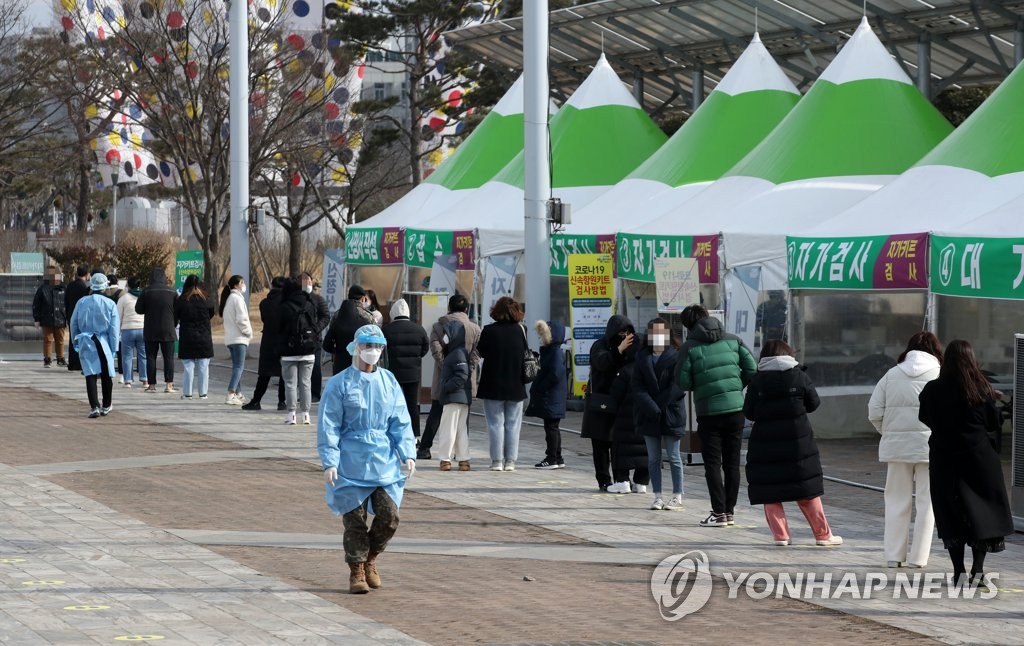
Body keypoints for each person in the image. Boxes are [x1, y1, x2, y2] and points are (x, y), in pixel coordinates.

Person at [318, 324, 416, 594]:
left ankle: (370, 557)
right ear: (356, 347)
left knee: (389, 516)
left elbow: (400, 421)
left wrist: (406, 453)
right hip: (350, 461)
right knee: (355, 520)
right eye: (367, 346)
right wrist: (330, 461)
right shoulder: (340, 384)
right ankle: (357, 570)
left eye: (377, 346)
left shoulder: (389, 381)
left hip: (383, 461)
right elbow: (329, 425)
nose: (372, 351)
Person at [918, 340, 1013, 589]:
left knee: (951, 513)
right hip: (979, 460)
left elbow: (924, 417)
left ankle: (958, 572)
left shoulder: (932, 389)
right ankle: (978, 572)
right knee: (982, 513)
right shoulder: (981, 389)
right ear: (971, 360)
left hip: (943, 459)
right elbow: (993, 424)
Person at [744, 340, 842, 547]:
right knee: (806, 489)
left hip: (765, 443)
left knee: (770, 491)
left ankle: (781, 536)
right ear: (788, 354)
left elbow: (749, 412)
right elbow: (813, 403)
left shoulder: (757, 381)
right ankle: (823, 536)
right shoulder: (799, 375)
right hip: (799, 441)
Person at [676, 305, 757, 527]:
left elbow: (683, 381)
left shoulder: (689, 347)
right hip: (736, 410)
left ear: (688, 325)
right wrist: (735, 387)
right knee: (732, 463)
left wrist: (701, 385)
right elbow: (752, 368)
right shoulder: (734, 340)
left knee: (712, 463)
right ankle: (729, 512)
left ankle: (718, 513)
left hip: (709, 411)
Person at [868, 331, 942, 568]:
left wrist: (889, 433)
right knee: (927, 503)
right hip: (931, 448)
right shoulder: (939, 373)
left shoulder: (891, 374)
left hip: (897, 448)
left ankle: (893, 556)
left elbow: (874, 411)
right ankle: (919, 558)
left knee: (896, 501)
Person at [418, 294, 481, 460]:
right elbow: (476, 353)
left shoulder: (439, 326)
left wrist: (446, 366)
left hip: (443, 378)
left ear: (449, 308)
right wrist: (468, 368)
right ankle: (460, 453)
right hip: (465, 379)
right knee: (463, 416)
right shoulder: (475, 328)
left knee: (436, 412)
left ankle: (424, 448)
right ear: (467, 309)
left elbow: (435, 349)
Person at [634, 318, 685, 510]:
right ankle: (657, 496)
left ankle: (677, 495)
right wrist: (651, 407)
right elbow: (637, 386)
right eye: (653, 332)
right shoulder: (641, 356)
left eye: (661, 332)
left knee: (674, 456)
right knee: (653, 458)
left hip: (671, 413)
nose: (657, 336)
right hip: (648, 414)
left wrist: (660, 404)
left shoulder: (677, 356)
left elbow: (679, 385)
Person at [581, 314, 635, 492]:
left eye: (627, 332)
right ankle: (604, 480)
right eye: (621, 332)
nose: (624, 335)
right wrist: (617, 350)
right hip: (601, 402)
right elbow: (601, 363)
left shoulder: (631, 346)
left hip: (622, 402)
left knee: (620, 443)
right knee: (600, 444)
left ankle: (622, 479)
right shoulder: (600, 345)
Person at [477, 296, 528, 472]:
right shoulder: (521, 330)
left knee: (494, 423)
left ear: (496, 310)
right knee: (513, 424)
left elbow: (481, 351)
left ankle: (497, 461)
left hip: (492, 383)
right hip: (516, 383)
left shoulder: (489, 330)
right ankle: (510, 461)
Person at [69, 273, 120, 418]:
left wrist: (75, 341)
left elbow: (73, 323)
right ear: (105, 286)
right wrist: (114, 348)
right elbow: (114, 329)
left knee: (90, 373)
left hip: (86, 340)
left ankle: (94, 406)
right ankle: (106, 404)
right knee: (106, 374)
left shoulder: (82, 302)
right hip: (103, 341)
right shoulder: (110, 303)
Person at [381, 299, 429, 437]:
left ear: (393, 313)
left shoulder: (387, 330)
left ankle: (391, 432)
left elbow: (382, 351)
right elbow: (425, 348)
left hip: (393, 373)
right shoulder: (419, 329)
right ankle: (414, 435)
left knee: (391, 404)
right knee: (412, 405)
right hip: (413, 373)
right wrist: (415, 358)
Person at [526, 320, 567, 469]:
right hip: (553, 396)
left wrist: (542, 387)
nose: (540, 338)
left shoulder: (555, 353)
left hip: (551, 395)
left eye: (542, 335)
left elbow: (555, 374)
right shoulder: (552, 351)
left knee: (551, 428)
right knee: (553, 427)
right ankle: (558, 456)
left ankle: (551, 458)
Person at [242, 277, 287, 411]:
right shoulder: (287, 303)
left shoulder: (264, 303)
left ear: (272, 286)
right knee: (284, 374)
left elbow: (264, 319)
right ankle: (282, 401)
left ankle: (256, 401)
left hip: (268, 341)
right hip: (284, 342)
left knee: (264, 374)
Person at [279, 277, 319, 425]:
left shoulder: (284, 305)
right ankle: (306, 415)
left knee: (290, 383)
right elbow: (315, 324)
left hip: (288, 351)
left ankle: (291, 415)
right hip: (308, 351)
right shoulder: (310, 303)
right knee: (305, 383)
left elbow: (278, 328)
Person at [435, 319, 473, 471]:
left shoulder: (457, 353)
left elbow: (462, 374)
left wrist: (446, 387)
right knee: (460, 429)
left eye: (446, 333)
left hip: (453, 396)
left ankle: (445, 459)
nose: (444, 336)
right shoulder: (460, 351)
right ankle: (464, 460)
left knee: (448, 428)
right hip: (462, 397)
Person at [135, 266, 179, 393]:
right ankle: (169, 385)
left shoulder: (146, 291)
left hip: (150, 329)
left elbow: (138, 309)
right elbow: (177, 311)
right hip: (168, 329)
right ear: (164, 277)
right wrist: (173, 323)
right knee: (168, 358)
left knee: (151, 357)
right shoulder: (172, 292)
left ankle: (152, 385)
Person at [175, 274, 214, 399]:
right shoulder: (207, 299)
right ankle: (203, 393)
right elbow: (211, 314)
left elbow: (175, 317)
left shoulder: (182, 300)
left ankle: (187, 393)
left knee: (188, 367)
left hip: (188, 337)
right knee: (203, 367)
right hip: (204, 337)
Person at [323, 285, 374, 374]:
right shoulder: (368, 317)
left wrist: (338, 352)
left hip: (340, 366)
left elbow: (327, 344)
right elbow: (373, 344)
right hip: (361, 366)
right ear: (363, 299)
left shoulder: (337, 315)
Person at [219, 274, 253, 405]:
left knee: (236, 367)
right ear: (235, 285)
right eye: (242, 282)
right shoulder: (237, 299)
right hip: (239, 338)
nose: (243, 285)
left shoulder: (230, 298)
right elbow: (242, 319)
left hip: (231, 338)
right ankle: (231, 393)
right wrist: (248, 332)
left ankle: (238, 393)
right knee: (239, 367)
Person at [300, 271, 331, 401]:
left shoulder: (318, 299)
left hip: (315, 340)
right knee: (301, 369)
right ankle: (303, 394)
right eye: (303, 280)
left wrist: (316, 329)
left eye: (308, 279)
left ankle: (315, 394)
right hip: (299, 340)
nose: (306, 282)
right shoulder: (297, 298)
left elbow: (326, 316)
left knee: (315, 368)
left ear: (312, 281)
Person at [32, 265, 68, 368]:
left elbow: (67, 303)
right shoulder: (42, 289)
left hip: (60, 318)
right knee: (48, 340)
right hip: (46, 318)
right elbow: (36, 304)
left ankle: (60, 358)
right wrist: (37, 318)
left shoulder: (63, 288)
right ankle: (47, 359)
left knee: (60, 340)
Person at [117, 276, 148, 389]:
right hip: (142, 329)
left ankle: (128, 381)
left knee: (127, 356)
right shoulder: (144, 297)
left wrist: (118, 329)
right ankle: (145, 380)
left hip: (127, 329)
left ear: (128, 286)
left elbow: (118, 316)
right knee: (143, 355)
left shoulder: (124, 298)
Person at [64, 265, 91, 372]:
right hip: (82, 316)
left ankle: (72, 363)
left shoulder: (70, 285)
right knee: (82, 340)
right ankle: (80, 363)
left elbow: (66, 301)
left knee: (72, 340)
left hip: (71, 315)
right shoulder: (85, 288)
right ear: (87, 274)